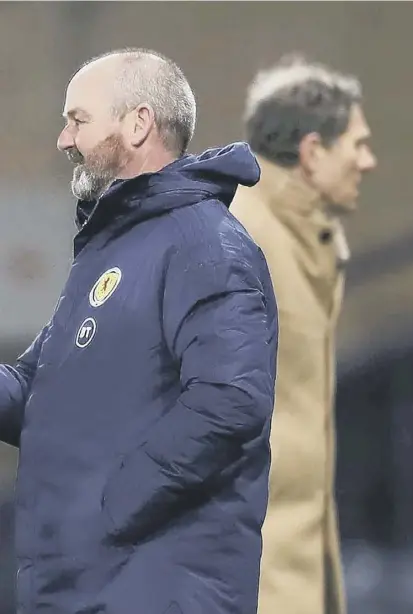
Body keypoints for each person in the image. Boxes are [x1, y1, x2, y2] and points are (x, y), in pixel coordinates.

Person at [0, 48, 278, 614]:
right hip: (86, 585)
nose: (64, 139)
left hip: (152, 587)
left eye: (78, 119)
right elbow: (37, 389)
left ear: (138, 123)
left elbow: (231, 400)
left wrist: (117, 507)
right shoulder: (113, 250)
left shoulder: (203, 244)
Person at [230, 55, 377, 614]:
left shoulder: (307, 240)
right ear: (314, 152)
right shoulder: (236, 241)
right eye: (356, 145)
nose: (368, 161)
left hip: (294, 576)